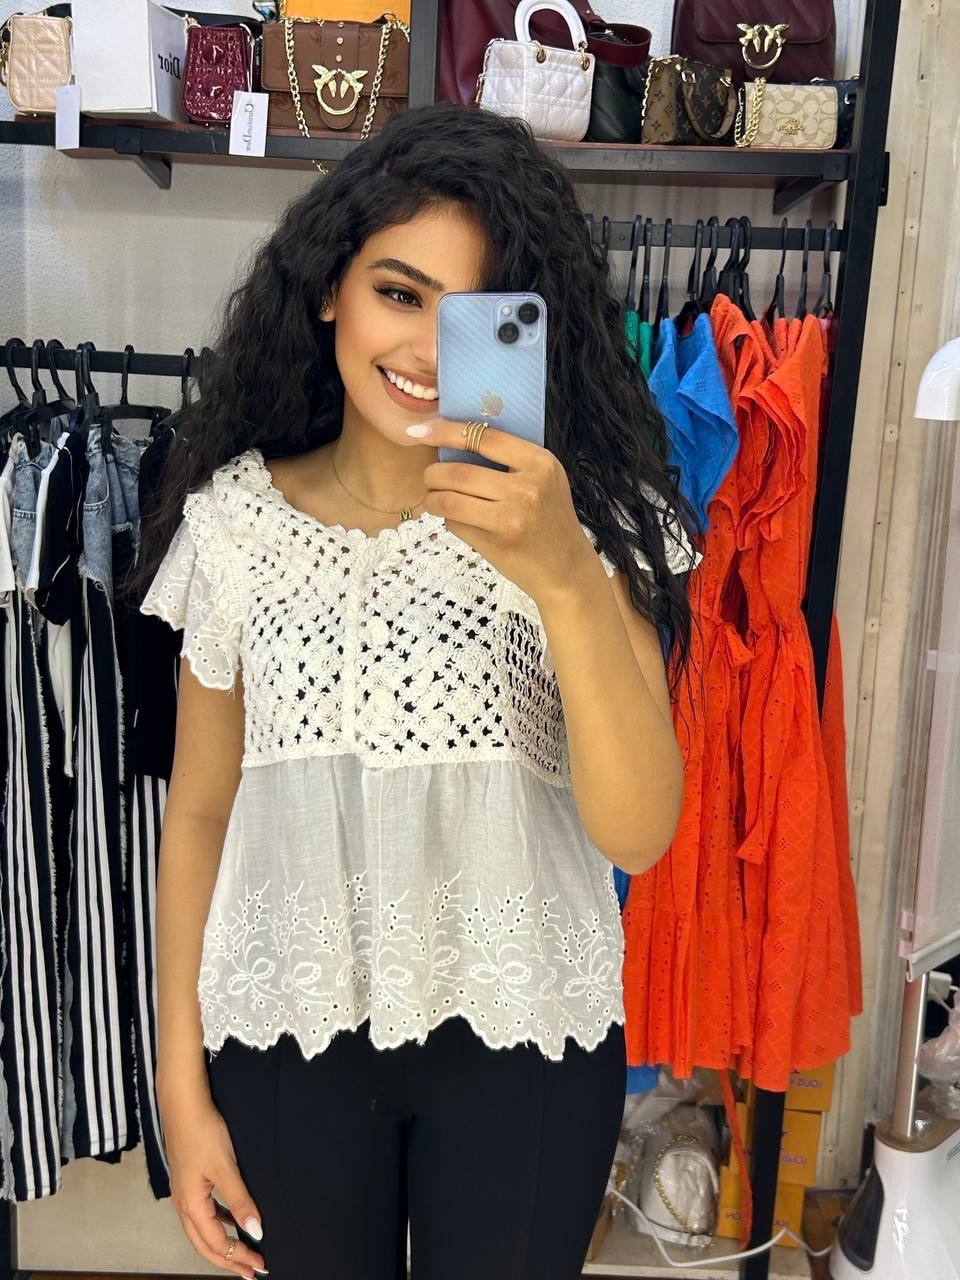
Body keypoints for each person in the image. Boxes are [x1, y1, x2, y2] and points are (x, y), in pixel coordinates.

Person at [126, 99, 701, 1280]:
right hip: (286, 1027)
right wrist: (178, 1084)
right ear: (329, 290)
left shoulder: (588, 522)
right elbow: (199, 812)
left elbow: (639, 831)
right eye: (399, 292)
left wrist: (564, 574)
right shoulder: (235, 527)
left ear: (528, 339)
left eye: (477, 314)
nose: (431, 351)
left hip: (525, 1032)